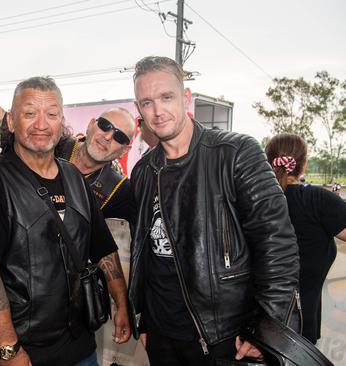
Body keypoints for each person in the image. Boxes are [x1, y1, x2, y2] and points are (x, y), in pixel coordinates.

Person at [126, 56, 301, 365]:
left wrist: (268, 328)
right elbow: (145, 253)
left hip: (224, 337)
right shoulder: (143, 171)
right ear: (139, 109)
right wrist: (144, 320)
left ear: (186, 98)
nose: (157, 110)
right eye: (147, 102)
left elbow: (277, 243)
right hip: (162, 336)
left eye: (166, 97)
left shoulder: (235, 153)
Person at [0, 76, 130, 366]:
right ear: (12, 122)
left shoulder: (74, 178)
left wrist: (122, 304)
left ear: (61, 122)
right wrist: (8, 348)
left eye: (51, 114)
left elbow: (103, 249)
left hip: (78, 349)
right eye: (30, 113)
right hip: (18, 352)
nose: (41, 124)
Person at [0, 4, 135, 220]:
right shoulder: (51, 139)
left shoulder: (118, 191)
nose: (108, 136)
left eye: (119, 136)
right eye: (105, 125)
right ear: (91, 124)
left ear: (125, 150)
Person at [265, 133, 346, 344]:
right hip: (300, 330)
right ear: (304, 164)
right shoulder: (319, 200)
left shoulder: (254, 199)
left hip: (254, 325)